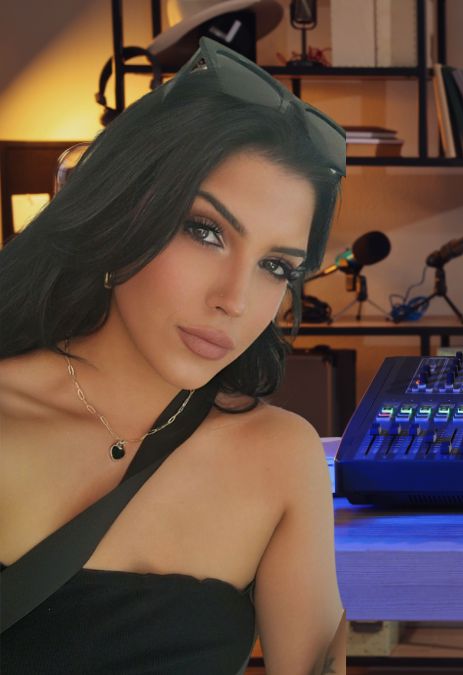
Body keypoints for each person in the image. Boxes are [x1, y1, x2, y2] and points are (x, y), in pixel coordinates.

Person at [0, 37, 348, 674]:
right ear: (122, 213)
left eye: (276, 267)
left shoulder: (279, 457)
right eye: (205, 232)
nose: (234, 300)